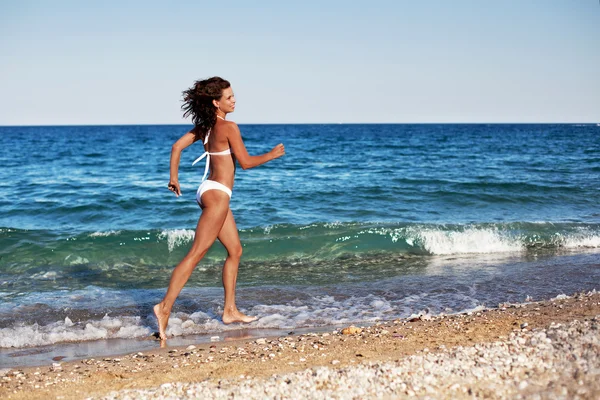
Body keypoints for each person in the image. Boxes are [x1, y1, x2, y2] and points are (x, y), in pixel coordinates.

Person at [153, 77, 285, 342]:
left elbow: (176, 147)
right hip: (218, 194)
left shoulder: (206, 127)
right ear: (216, 102)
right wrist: (271, 155)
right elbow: (245, 163)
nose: (234, 100)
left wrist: (174, 177)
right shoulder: (228, 127)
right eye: (229, 97)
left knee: (235, 250)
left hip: (209, 190)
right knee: (196, 253)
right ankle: (164, 307)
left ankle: (230, 311)